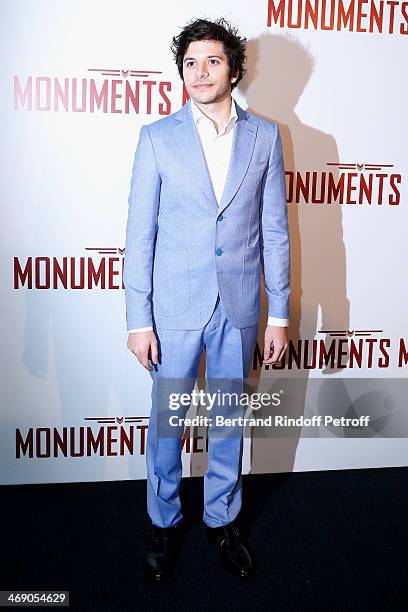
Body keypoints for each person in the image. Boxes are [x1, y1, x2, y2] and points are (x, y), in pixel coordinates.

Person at [123, 17, 290, 580]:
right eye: (190, 63)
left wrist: (280, 314)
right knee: (168, 424)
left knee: (228, 422)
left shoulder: (266, 136)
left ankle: (222, 519)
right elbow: (138, 234)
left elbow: (274, 232)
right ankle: (163, 522)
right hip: (172, 310)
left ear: (234, 70)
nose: (199, 72)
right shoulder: (156, 138)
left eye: (212, 61)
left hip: (239, 308)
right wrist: (137, 320)